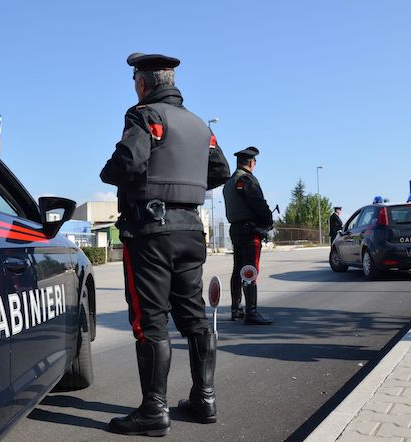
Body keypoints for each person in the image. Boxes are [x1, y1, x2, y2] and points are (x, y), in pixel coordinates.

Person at [100, 52, 230, 436]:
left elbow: (126, 164)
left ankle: (154, 411)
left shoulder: (143, 116)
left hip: (150, 234)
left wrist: (109, 173)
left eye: (136, 81)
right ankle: (204, 399)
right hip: (191, 230)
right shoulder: (198, 124)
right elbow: (220, 170)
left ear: (144, 83)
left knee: (150, 320)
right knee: (193, 317)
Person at [223, 147, 273, 325]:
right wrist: (268, 220)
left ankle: (236, 309)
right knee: (250, 269)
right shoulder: (247, 179)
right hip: (250, 230)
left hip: (235, 229)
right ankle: (251, 312)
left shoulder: (230, 182)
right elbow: (259, 203)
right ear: (251, 163)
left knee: (238, 269)